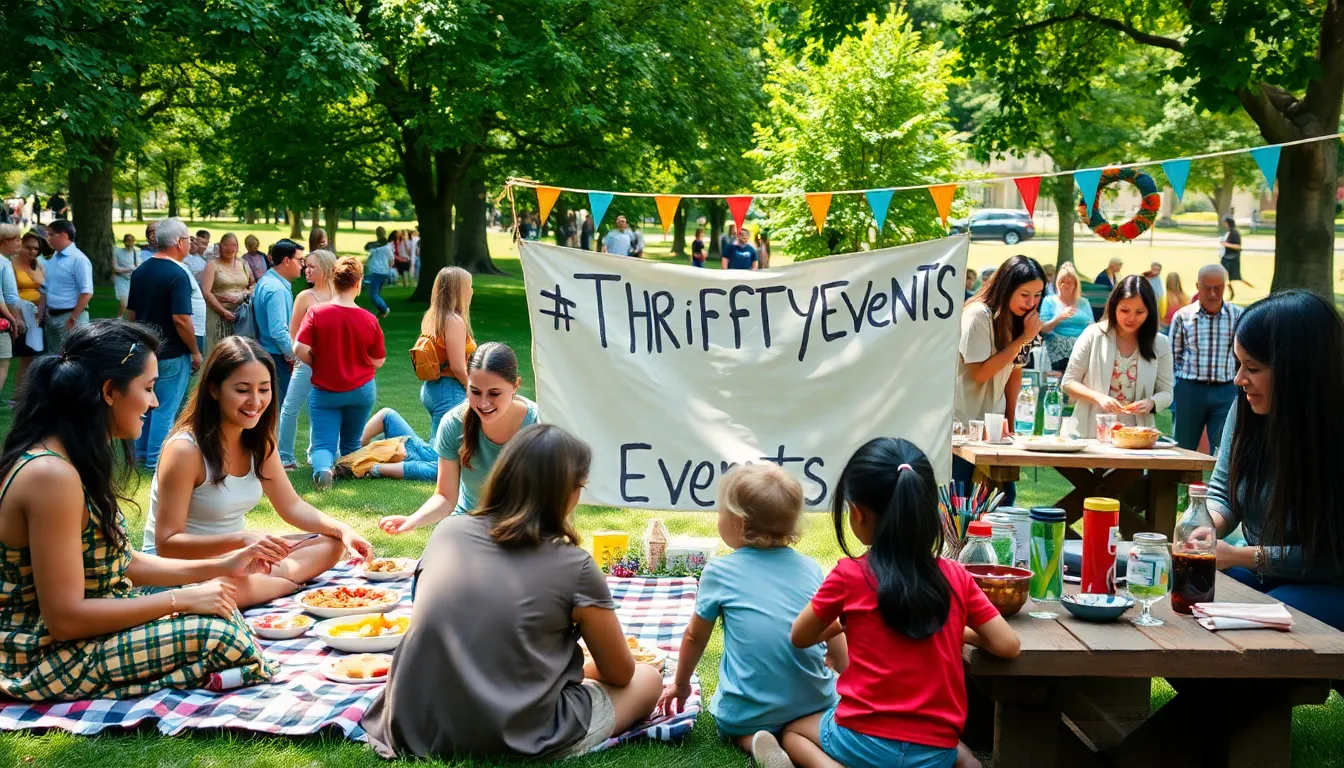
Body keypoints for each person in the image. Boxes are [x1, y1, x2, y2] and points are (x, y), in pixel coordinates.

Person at [0, 321, 279, 701]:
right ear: (110, 391)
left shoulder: (73, 460)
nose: (155, 402)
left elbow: (123, 562)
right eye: (148, 388)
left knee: (222, 615)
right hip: (43, 657)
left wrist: (223, 564)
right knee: (219, 635)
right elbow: (63, 619)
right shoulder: (50, 475)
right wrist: (181, 599)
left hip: (89, 631)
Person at [361, 424, 662, 761]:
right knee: (648, 679)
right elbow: (622, 672)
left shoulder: (448, 531)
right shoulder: (574, 565)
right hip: (511, 735)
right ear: (567, 492)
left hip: (414, 721)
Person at [784, 438, 1020, 768]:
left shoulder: (848, 576)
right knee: (964, 757)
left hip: (860, 741)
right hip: (935, 750)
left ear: (856, 513)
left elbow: (800, 635)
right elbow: (1008, 645)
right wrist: (952, 627)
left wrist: (847, 619)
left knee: (793, 733)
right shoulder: (955, 576)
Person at [144, 336, 372, 608]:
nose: (255, 401)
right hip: (181, 572)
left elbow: (291, 506)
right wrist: (242, 539)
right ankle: (281, 585)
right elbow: (167, 544)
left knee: (331, 544)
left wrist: (343, 529)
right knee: (221, 590)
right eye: (242, 390)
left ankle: (268, 585)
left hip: (240, 560)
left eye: (264, 390)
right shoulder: (185, 450)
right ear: (214, 389)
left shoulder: (260, 442)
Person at [657, 464, 843, 768]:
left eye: (720, 514)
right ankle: (798, 742)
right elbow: (832, 627)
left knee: (730, 724)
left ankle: (753, 741)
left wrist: (680, 684)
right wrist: (842, 672)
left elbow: (694, 635)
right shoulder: (811, 568)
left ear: (739, 524)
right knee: (818, 715)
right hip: (812, 702)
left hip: (749, 710)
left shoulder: (719, 571)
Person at [1207, 291, 1344, 630]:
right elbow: (1223, 492)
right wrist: (1203, 527)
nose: (1239, 380)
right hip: (1266, 573)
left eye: (1252, 368)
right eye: (1239, 364)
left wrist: (1242, 556)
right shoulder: (1247, 409)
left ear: (1297, 372)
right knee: (1191, 597)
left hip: (1331, 583)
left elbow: (1330, 557)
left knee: (1271, 619)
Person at [378, 342, 538, 533]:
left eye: (494, 393)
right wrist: (413, 520)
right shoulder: (454, 423)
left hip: (522, 529)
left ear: (515, 386)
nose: (484, 403)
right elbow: (445, 497)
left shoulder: (539, 424)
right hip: (468, 525)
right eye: (475, 391)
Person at [954, 255, 1046, 506]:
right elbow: (980, 373)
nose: (1031, 302)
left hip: (995, 431)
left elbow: (1014, 377)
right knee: (962, 506)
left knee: (1003, 502)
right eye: (1025, 294)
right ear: (1006, 288)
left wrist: (1013, 427)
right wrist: (1023, 339)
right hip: (962, 428)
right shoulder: (977, 315)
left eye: (1037, 295)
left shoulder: (1022, 322)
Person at [295, 257, 386, 491]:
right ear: (358, 284)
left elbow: (299, 349)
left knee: (323, 443)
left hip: (325, 389)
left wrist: (318, 363)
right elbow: (379, 360)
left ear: (333, 282)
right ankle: (349, 469)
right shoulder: (369, 319)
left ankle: (323, 471)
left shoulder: (316, 313)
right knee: (352, 439)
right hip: (361, 389)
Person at [126, 218, 202, 472]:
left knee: (145, 405)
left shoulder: (141, 271)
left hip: (145, 351)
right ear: (180, 242)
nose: (190, 244)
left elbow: (131, 315)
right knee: (165, 410)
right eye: (189, 239)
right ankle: (154, 461)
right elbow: (181, 319)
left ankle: (140, 455)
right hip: (171, 352)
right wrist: (194, 350)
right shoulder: (178, 273)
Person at [1062, 276, 1174, 433]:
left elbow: (1167, 392)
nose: (1131, 318)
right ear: (1114, 306)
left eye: (1139, 312)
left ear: (1150, 312)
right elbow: (1068, 382)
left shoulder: (1160, 343)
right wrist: (1098, 397)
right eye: (1124, 310)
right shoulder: (1093, 334)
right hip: (1090, 431)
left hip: (1137, 435)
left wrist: (1151, 403)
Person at [1169, 264, 1242, 452]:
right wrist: (1180, 385)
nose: (1212, 294)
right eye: (1207, 288)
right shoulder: (1182, 317)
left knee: (1226, 446)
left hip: (1225, 390)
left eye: (1218, 288)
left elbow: (1242, 357)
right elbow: (1172, 356)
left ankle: (1219, 482)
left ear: (1225, 287)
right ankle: (1183, 482)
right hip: (1190, 389)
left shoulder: (1238, 316)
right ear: (1197, 286)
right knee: (1183, 447)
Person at [277, 249, 336, 470]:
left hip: (332, 364)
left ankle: (317, 453)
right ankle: (285, 457)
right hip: (308, 363)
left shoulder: (339, 294)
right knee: (291, 408)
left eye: (312, 267)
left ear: (327, 268)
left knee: (321, 409)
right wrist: (304, 357)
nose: (306, 270)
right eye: (306, 265)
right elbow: (294, 334)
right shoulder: (304, 297)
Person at [418, 267, 475, 436]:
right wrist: (471, 388)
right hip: (449, 390)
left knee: (443, 447)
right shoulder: (454, 321)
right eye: (469, 287)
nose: (472, 291)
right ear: (460, 291)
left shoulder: (434, 316)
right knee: (440, 456)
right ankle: (389, 423)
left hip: (434, 387)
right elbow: (457, 366)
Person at [253, 239, 304, 407]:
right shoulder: (277, 290)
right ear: (286, 261)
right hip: (276, 357)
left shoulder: (267, 280)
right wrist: (296, 357)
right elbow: (279, 332)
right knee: (280, 411)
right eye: (299, 260)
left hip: (267, 354)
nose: (302, 265)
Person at [337, 407, 441, 481]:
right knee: (388, 415)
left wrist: (375, 468)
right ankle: (353, 448)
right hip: (415, 444)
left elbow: (415, 468)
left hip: (405, 454)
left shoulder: (443, 470)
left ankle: (341, 462)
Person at [41, 219, 93, 353]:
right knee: (55, 358)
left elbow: (86, 292)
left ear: (63, 235)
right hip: (51, 317)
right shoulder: (54, 258)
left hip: (70, 317)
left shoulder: (79, 259)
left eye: (51, 234)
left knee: (73, 358)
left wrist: (73, 318)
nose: (48, 238)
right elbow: (47, 287)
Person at [200, 233, 253, 352]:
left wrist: (243, 295)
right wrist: (223, 311)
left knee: (239, 350)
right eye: (226, 245)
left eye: (233, 245)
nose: (230, 249)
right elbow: (206, 292)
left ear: (237, 247)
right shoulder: (212, 265)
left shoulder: (244, 264)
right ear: (220, 247)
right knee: (218, 348)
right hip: (218, 313)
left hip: (241, 315)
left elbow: (253, 285)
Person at [1038, 262, 1093, 373]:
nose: (1065, 285)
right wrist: (1060, 317)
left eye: (1069, 282)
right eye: (1062, 282)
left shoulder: (1084, 302)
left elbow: (1092, 325)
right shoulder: (1049, 301)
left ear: (1075, 285)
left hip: (1082, 343)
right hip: (1057, 344)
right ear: (1057, 284)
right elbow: (1043, 329)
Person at [11, 232, 45, 379]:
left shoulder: (38, 264)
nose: (32, 252)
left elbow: (45, 288)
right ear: (21, 246)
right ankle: (17, 398)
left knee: (34, 358)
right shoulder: (10, 263)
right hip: (19, 315)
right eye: (28, 247)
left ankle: (25, 396)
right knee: (24, 357)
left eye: (36, 249)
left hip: (38, 316)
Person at [0, 225, 26, 398]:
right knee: (2, 364)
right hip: (1, 322)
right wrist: (13, 318)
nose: (19, 243)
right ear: (3, 242)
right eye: (16, 239)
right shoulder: (2, 263)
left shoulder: (5, 262)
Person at [1219, 216, 1252, 299]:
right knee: (1225, 278)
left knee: (1237, 278)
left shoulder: (1235, 233)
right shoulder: (1228, 233)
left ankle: (1254, 288)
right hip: (1226, 258)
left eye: (1225, 223)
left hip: (1232, 259)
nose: (1224, 224)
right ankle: (1231, 293)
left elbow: (1238, 246)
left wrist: (1226, 244)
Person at [365, 234, 396, 319]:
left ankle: (385, 308)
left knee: (373, 294)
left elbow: (367, 247)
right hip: (385, 273)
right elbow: (391, 260)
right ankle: (380, 311)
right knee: (377, 293)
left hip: (376, 272)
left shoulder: (376, 249)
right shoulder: (388, 249)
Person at [113, 233, 141, 318]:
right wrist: (130, 268)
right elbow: (116, 268)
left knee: (132, 304)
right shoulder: (117, 252)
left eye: (132, 241)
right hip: (120, 279)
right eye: (128, 241)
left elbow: (138, 267)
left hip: (132, 280)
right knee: (124, 304)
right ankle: (118, 319)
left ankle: (124, 320)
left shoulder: (137, 252)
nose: (130, 243)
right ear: (124, 242)